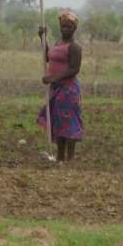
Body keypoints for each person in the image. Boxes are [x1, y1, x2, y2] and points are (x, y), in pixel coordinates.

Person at [37, 10, 84, 162]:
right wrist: (42, 38)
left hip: (68, 90)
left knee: (69, 124)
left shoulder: (75, 47)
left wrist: (53, 78)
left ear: (74, 28)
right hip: (56, 89)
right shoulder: (58, 43)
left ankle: (69, 158)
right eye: (63, 26)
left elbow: (74, 69)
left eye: (69, 27)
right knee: (58, 123)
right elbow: (48, 57)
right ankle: (60, 157)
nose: (66, 29)